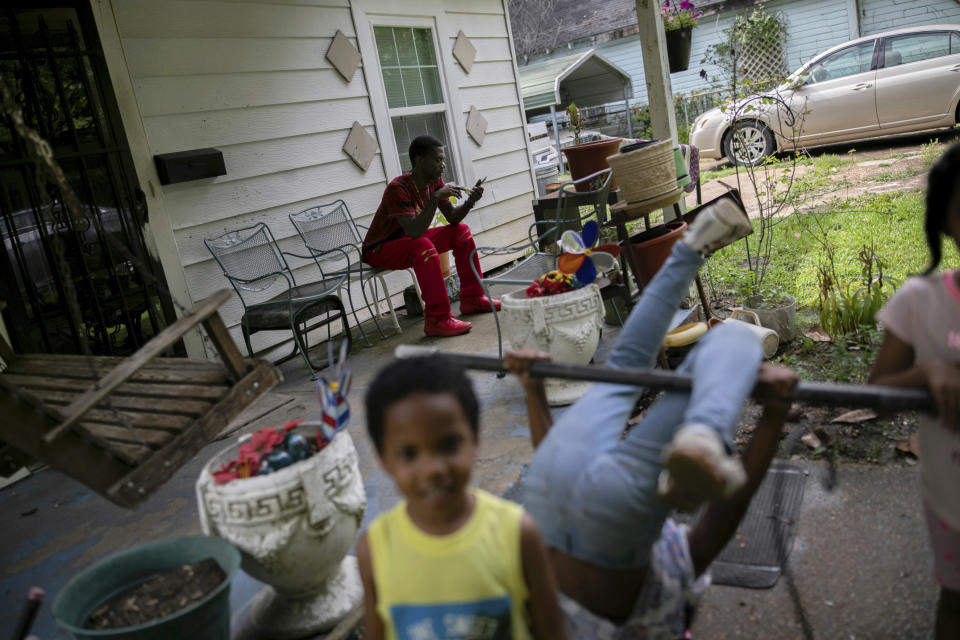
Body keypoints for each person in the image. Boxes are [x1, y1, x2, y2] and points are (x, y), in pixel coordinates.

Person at [503, 196, 800, 638]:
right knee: (627, 363)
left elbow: (727, 511)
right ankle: (690, 248)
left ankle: (704, 432)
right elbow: (549, 455)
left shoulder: (666, 596)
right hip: (549, 487)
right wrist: (533, 390)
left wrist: (774, 415)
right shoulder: (658, 574)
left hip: (610, 515)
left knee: (736, 338)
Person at [356, 355, 567, 640]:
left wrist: (533, 389)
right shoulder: (376, 549)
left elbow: (551, 631)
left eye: (449, 444)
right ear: (383, 459)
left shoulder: (517, 534)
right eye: (409, 453)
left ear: (475, 439)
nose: (433, 469)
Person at [868, 142, 960, 639]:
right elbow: (876, 396)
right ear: (945, 221)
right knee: (957, 603)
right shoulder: (919, 303)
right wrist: (927, 373)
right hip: (954, 502)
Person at [362, 135, 499, 338]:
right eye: (438, 160)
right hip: (380, 248)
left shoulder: (434, 182)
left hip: (408, 239)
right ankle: (437, 319)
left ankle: (472, 298)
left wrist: (469, 202)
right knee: (422, 246)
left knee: (461, 231)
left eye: (443, 160)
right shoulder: (397, 188)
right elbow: (414, 232)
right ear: (419, 160)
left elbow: (452, 218)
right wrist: (434, 199)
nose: (443, 165)